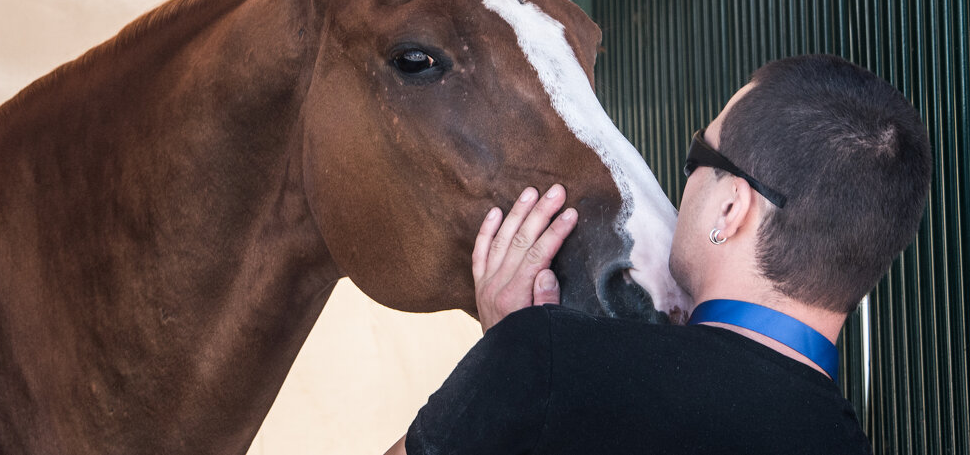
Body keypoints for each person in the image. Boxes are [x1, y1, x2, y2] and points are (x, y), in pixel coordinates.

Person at [384, 54, 932, 455]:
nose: (685, 175)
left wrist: (511, 371)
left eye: (700, 151)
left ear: (730, 210)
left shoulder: (549, 361)